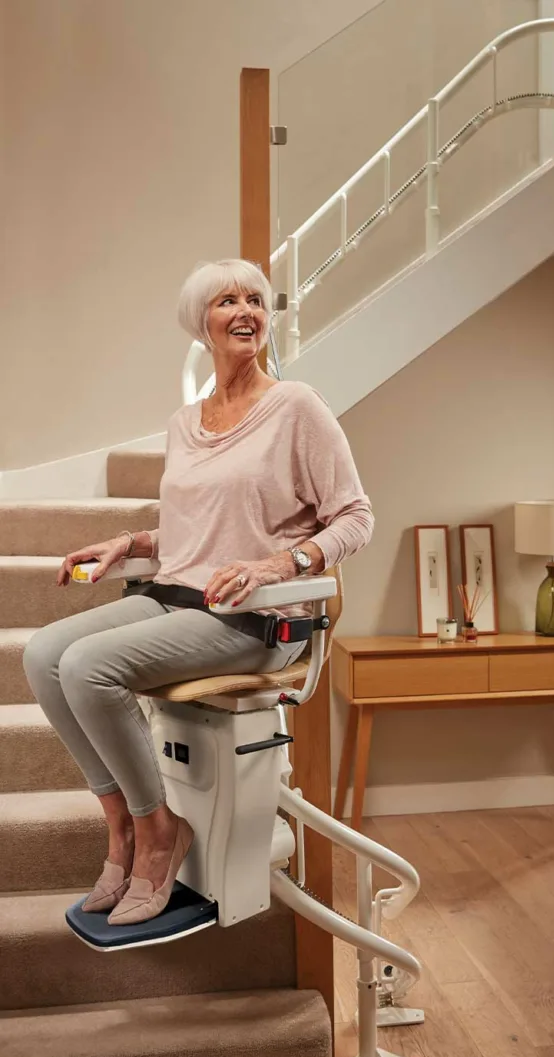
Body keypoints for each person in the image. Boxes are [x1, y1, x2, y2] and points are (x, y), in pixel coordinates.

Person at [24, 258, 374, 926]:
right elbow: (200, 526)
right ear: (201, 323)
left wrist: (278, 564)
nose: (246, 311)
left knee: (88, 666)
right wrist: (130, 542)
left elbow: (356, 517)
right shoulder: (185, 423)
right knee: (43, 656)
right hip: (175, 596)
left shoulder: (296, 407)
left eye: (255, 300)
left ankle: (160, 832)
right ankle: (123, 827)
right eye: (227, 301)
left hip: (254, 620)